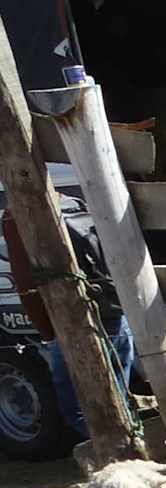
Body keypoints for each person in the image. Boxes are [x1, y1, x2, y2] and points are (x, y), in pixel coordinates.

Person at [0, 181, 138, 448]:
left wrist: (47, 333)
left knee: (77, 408)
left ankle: (119, 453)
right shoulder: (73, 201)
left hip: (70, 324)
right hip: (110, 309)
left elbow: (25, 283)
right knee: (119, 394)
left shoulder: (16, 214)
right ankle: (131, 445)